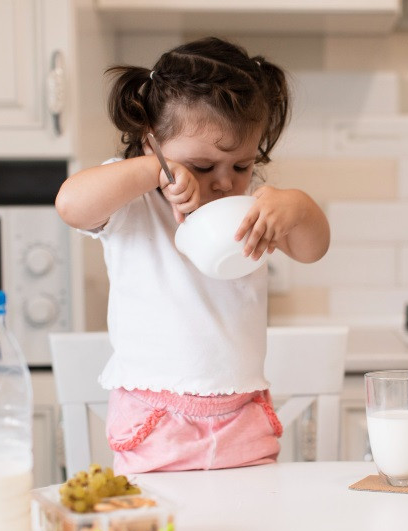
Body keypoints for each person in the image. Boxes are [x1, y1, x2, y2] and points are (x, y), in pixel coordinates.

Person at [55, 37, 330, 474]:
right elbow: (70, 205)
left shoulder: (253, 206)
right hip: (155, 416)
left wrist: (295, 205)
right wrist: (151, 173)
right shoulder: (133, 203)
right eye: (203, 166)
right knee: (161, 530)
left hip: (243, 414)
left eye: (241, 165)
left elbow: (313, 248)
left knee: (255, 523)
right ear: (152, 143)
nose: (224, 182)